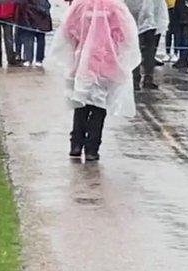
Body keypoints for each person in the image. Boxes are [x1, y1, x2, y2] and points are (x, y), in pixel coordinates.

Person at [51, 0, 140, 161]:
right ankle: (92, 147)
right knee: (99, 106)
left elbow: (68, 30)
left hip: (82, 62)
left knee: (81, 102)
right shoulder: (115, 7)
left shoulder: (80, 5)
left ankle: (76, 144)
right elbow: (125, 34)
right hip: (106, 62)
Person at [126, 0, 169, 89]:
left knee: (146, 48)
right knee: (144, 48)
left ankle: (142, 78)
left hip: (149, 15)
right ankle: (141, 77)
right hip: (145, 15)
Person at [16, 0, 52, 67]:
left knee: (33, 39)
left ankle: (33, 59)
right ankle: (33, 59)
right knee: (31, 38)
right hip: (33, 18)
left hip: (36, 18)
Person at [172, 0, 188, 70]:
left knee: (185, 37)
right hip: (180, 11)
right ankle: (182, 58)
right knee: (180, 37)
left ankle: (184, 59)